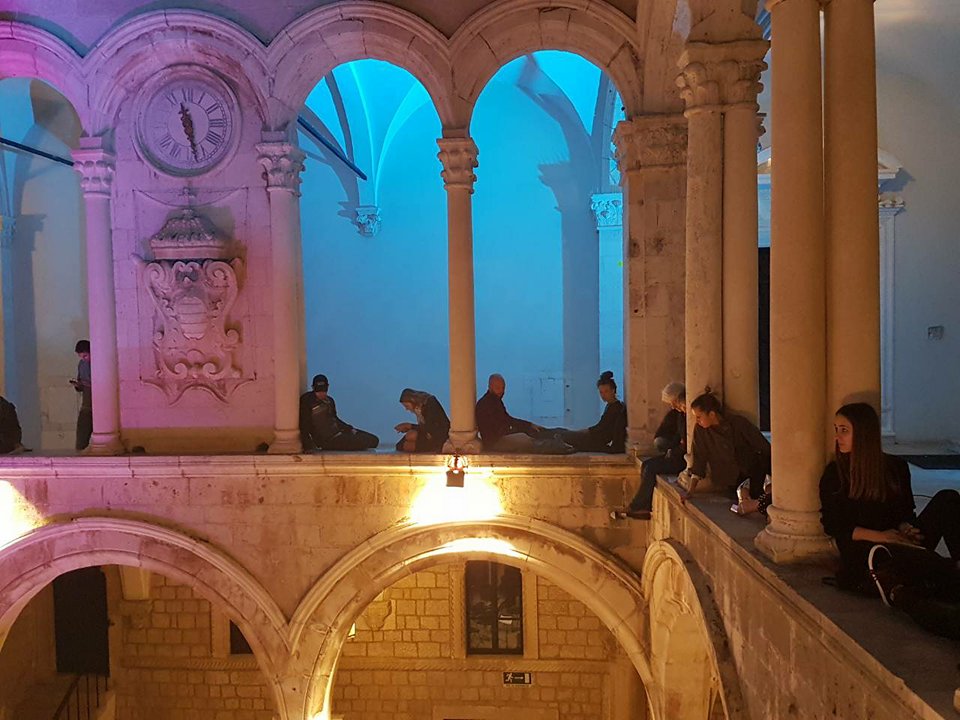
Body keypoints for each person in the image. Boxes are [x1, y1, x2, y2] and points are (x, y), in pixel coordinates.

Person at [820, 402, 960, 639]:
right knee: (928, 566)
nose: (837, 437)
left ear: (864, 434)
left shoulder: (895, 467)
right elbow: (834, 525)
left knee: (948, 499)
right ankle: (941, 575)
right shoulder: (835, 474)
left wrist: (907, 528)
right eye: (836, 429)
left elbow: (904, 513)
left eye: (844, 430)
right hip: (868, 547)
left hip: (897, 538)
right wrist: (882, 536)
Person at [613, 382, 687, 519]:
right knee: (647, 465)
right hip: (675, 453)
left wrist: (673, 449)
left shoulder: (685, 417)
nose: (673, 406)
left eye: (674, 403)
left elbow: (684, 441)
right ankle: (642, 506)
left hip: (681, 458)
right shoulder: (679, 415)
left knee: (651, 468)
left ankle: (637, 507)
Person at [682, 391, 770, 502]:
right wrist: (690, 491)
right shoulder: (700, 430)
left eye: (699, 417)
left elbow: (762, 446)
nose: (697, 421)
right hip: (730, 480)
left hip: (752, 472)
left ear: (712, 414)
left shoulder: (738, 423)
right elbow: (699, 458)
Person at [475, 374, 573, 454]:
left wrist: (527, 426)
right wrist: (523, 428)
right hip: (495, 442)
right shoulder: (487, 404)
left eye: (503, 388)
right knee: (527, 442)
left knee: (532, 434)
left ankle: (561, 441)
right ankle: (561, 447)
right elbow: (503, 423)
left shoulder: (494, 400)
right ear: (490, 386)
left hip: (500, 437)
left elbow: (506, 420)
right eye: (498, 388)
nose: (501, 391)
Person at [299, 374, 379, 451]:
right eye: (318, 391)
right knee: (363, 442)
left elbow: (335, 419)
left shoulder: (329, 401)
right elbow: (304, 424)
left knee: (374, 440)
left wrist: (349, 428)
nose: (321, 394)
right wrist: (307, 446)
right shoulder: (307, 400)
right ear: (313, 388)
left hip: (339, 433)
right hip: (328, 440)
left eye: (323, 391)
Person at [556, 371, 627, 453]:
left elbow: (600, 429)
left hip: (594, 441)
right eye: (601, 392)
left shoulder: (616, 408)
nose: (603, 395)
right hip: (593, 437)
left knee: (561, 434)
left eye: (606, 391)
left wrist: (583, 431)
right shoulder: (611, 405)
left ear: (613, 390)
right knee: (561, 431)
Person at [395, 388, 450, 453]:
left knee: (408, 444)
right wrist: (409, 427)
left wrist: (410, 426)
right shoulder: (418, 409)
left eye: (407, 406)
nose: (406, 409)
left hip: (438, 437)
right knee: (407, 438)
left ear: (413, 401)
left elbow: (430, 427)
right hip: (427, 434)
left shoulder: (430, 403)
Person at [72, 339, 92, 451]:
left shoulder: (100, 363)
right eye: (81, 357)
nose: (83, 359)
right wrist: (78, 385)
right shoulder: (82, 364)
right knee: (82, 430)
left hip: (99, 402)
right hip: (87, 402)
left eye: (85, 356)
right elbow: (81, 381)